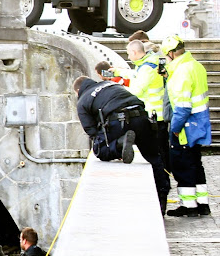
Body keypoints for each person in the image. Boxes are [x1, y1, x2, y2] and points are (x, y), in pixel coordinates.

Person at [73, 75, 171, 214]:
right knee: (154, 158)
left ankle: (120, 144)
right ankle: (162, 198)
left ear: (78, 91)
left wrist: (109, 144)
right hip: (141, 117)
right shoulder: (111, 84)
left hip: (118, 121)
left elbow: (91, 130)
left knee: (100, 150)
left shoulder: (83, 100)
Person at [161, 35, 212, 217]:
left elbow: (182, 107)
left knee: (182, 165)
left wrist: (174, 128)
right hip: (199, 124)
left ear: (171, 54)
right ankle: (203, 204)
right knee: (196, 164)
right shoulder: (196, 66)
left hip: (185, 127)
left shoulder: (181, 72)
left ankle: (189, 206)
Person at [110, 40, 170, 173]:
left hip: (155, 115)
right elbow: (135, 75)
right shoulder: (146, 64)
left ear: (134, 52)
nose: (128, 57)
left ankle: (164, 178)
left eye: (128, 53)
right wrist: (117, 72)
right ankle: (164, 175)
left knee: (159, 150)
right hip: (155, 114)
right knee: (160, 149)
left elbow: (137, 90)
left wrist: (118, 89)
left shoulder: (147, 68)